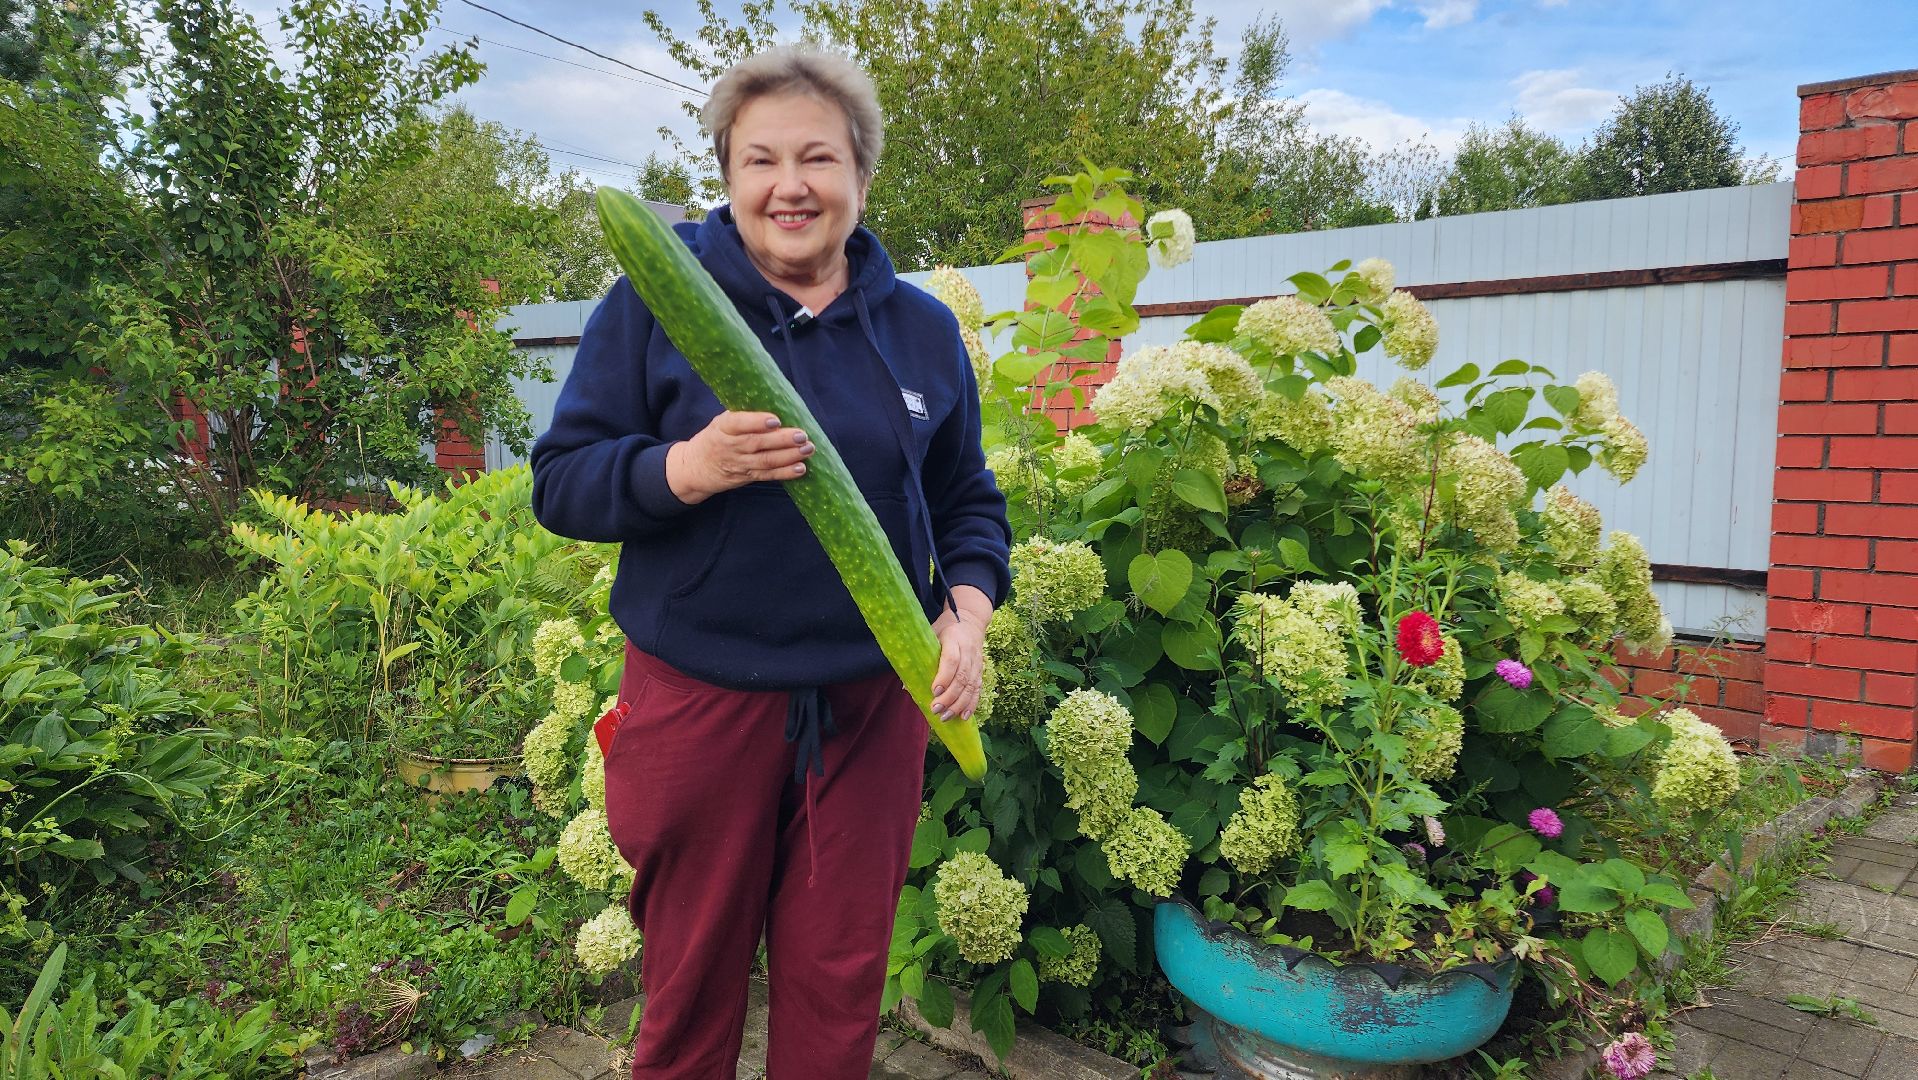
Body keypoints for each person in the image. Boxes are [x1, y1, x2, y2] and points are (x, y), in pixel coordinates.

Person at [528, 44, 1011, 1080]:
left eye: (817, 158)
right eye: (759, 161)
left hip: (874, 706)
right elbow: (562, 482)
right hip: (701, 702)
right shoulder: (653, 305)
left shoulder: (923, 331)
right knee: (690, 982)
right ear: (728, 177)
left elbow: (969, 502)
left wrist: (964, 616)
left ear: (860, 177)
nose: (789, 185)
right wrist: (685, 469)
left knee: (839, 986)